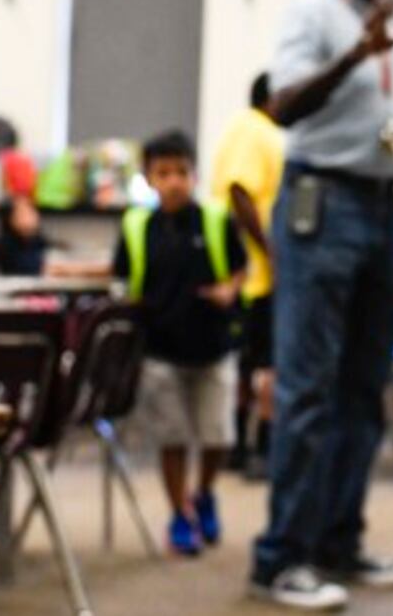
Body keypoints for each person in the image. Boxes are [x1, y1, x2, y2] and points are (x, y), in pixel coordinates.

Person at [250, 0, 393, 611]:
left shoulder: (392, 31)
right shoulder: (314, 14)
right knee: (309, 389)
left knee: (362, 390)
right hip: (322, 208)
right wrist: (356, 55)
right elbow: (282, 107)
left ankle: (337, 543)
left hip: (386, 213)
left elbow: (385, 126)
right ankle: (279, 558)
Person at [112, 130, 248, 557]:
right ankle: (180, 514)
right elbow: (121, 279)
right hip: (159, 350)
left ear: (195, 175)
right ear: (149, 178)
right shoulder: (137, 227)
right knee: (172, 438)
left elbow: (242, 267)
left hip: (213, 347)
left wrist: (230, 288)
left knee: (216, 437)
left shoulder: (215, 220)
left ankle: (205, 492)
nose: (173, 181)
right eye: (163, 173)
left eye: (182, 172)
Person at [209, 72, 286, 479]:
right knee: (262, 366)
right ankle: (254, 447)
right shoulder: (255, 130)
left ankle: (245, 446)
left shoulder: (256, 130)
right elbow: (240, 191)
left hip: (257, 273)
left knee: (250, 365)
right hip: (256, 274)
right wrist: (269, 248)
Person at [0, 194, 51, 276]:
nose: (29, 218)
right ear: (10, 218)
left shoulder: (39, 241)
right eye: (22, 214)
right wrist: (46, 269)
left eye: (31, 212)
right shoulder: (2, 244)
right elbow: (14, 267)